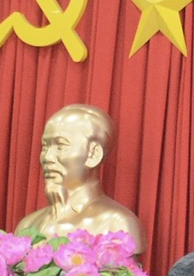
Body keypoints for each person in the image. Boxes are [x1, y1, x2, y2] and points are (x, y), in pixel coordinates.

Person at [14, 103, 145, 254]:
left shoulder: (117, 224)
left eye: (60, 146)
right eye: (45, 147)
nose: (47, 157)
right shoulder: (28, 225)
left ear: (93, 154)